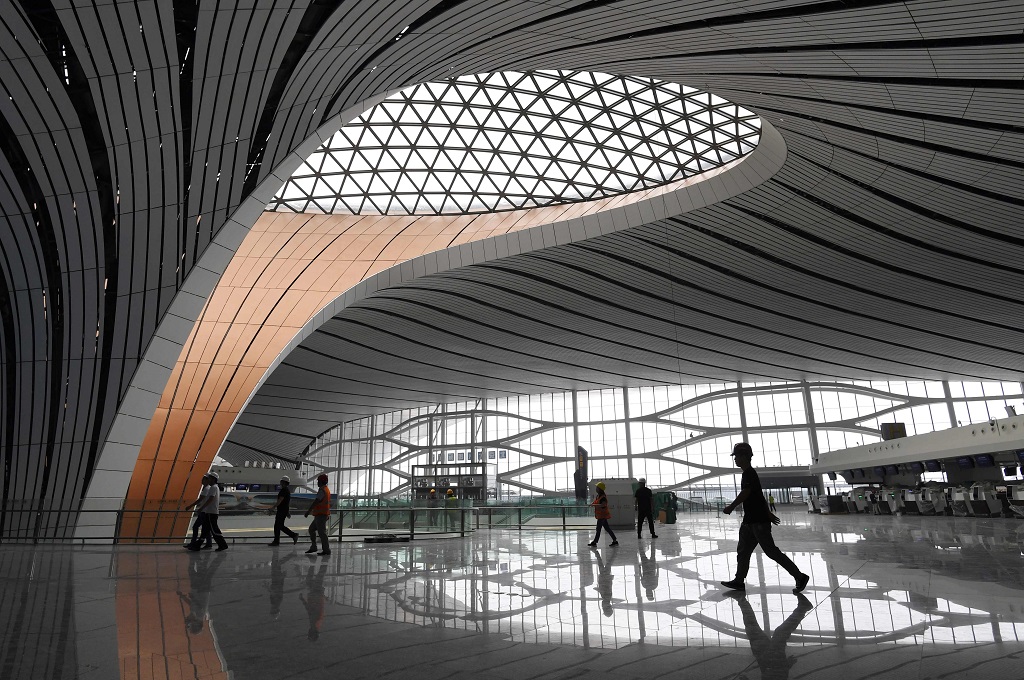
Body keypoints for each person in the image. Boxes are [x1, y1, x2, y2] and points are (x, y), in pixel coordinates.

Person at [720, 442, 808, 593]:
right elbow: (759, 497)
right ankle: (739, 581)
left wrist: (731, 506)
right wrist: (768, 513)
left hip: (758, 522)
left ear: (743, 456)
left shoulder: (749, 473)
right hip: (750, 521)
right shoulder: (748, 473)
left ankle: (800, 576)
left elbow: (746, 493)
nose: (735, 459)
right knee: (743, 551)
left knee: (771, 551)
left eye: (736, 456)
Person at [727, 590, 814, 679]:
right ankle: (741, 599)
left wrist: (786, 666)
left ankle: (803, 607)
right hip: (771, 665)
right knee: (764, 632)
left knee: (772, 633)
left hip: (772, 666)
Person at [189, 472, 228, 552]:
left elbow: (211, 499)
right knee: (205, 530)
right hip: (210, 513)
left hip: (211, 513)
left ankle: (223, 545)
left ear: (213, 479)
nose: (208, 480)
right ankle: (197, 545)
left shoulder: (213, 487)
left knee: (214, 530)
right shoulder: (214, 487)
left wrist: (202, 508)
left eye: (209, 478)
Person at [304, 473, 331, 555]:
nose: (317, 483)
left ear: (322, 481)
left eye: (318, 481)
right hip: (321, 515)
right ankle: (314, 547)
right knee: (312, 529)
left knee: (322, 533)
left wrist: (308, 511)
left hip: (321, 515)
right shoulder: (326, 489)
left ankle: (326, 550)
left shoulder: (322, 490)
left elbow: (316, 501)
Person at [183, 475, 213, 550]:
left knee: (196, 527)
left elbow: (200, 500)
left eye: (203, 480)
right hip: (205, 511)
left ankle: (194, 542)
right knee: (205, 528)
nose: (201, 481)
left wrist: (190, 506)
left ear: (206, 480)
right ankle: (208, 543)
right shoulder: (208, 489)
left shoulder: (206, 489)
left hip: (203, 512)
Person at [268, 475, 299, 546]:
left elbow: (280, 500)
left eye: (281, 481)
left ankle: (293, 535)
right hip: (284, 510)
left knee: (278, 526)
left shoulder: (283, 491)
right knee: (279, 526)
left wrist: (273, 507)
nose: (280, 482)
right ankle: (278, 540)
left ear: (284, 482)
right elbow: (286, 502)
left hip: (281, 511)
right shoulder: (287, 491)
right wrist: (287, 512)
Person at [588, 482, 618, 547]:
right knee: (607, 528)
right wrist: (592, 504)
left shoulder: (603, 497)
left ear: (600, 489)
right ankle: (615, 540)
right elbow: (596, 502)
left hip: (602, 515)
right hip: (600, 515)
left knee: (598, 529)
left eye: (597, 487)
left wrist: (595, 505)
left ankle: (595, 542)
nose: (596, 488)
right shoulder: (598, 496)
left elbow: (603, 505)